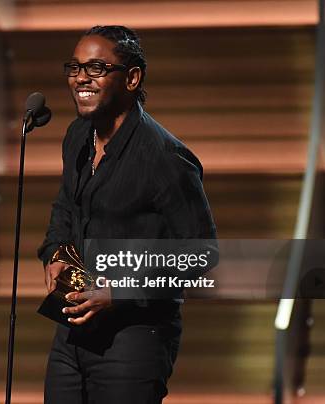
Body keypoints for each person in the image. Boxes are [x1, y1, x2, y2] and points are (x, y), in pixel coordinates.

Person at [37, 25, 218, 404]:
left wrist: (117, 291)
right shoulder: (76, 136)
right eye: (74, 67)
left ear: (132, 78)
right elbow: (65, 207)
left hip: (136, 338)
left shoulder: (165, 158)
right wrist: (55, 252)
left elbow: (203, 255)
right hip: (72, 331)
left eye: (97, 68)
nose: (81, 77)